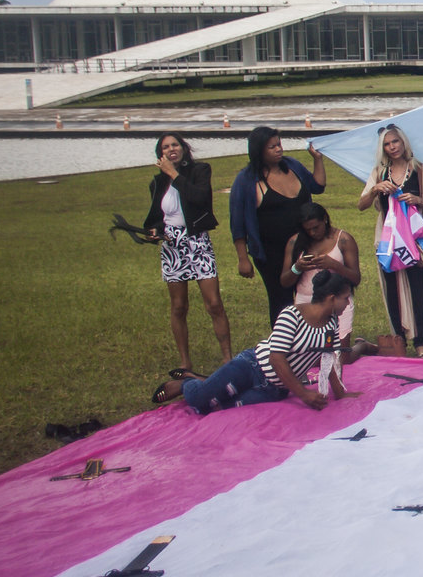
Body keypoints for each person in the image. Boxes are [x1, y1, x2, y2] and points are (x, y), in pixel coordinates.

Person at [153, 271, 357, 414]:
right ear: (331, 298)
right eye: (346, 298)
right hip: (251, 367)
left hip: (274, 389)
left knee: (219, 409)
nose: (348, 303)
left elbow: (328, 358)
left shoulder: (332, 323)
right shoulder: (292, 315)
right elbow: (276, 358)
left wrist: (339, 393)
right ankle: (187, 383)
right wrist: (303, 394)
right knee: (200, 402)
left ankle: (205, 381)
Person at [144, 132, 228, 375]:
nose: (171, 149)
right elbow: (156, 217)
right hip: (172, 246)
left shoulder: (200, 171)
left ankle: (227, 358)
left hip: (197, 241)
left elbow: (199, 199)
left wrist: (174, 174)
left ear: (183, 148)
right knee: (179, 306)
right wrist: (155, 231)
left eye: (175, 145)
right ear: (160, 154)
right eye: (166, 147)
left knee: (214, 303)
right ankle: (185, 362)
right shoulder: (157, 183)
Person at [228, 126, 328, 323]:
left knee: (310, 293)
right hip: (271, 253)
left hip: (304, 245)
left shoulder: (292, 165)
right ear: (259, 150)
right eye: (272, 147)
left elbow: (317, 186)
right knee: (281, 300)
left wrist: (317, 159)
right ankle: (283, 338)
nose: (278, 149)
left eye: (279, 144)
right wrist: (243, 259)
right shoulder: (246, 180)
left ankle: (312, 334)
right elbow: (237, 223)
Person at [358, 125, 423, 357]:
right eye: (387, 144)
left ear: (404, 142)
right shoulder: (379, 172)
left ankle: (420, 341)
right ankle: (399, 339)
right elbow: (361, 205)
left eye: (395, 141)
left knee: (417, 287)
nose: (392, 147)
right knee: (392, 290)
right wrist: (375, 189)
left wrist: (418, 200)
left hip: (413, 239)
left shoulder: (421, 171)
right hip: (388, 240)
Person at [283, 201, 370, 386]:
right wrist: (297, 268)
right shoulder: (295, 242)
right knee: (309, 357)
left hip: (337, 302)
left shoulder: (343, 240)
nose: (313, 233)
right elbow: (284, 281)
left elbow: (356, 278)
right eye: (308, 229)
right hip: (306, 302)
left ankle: (362, 346)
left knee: (340, 357)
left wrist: (334, 265)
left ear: (325, 219)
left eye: (316, 227)